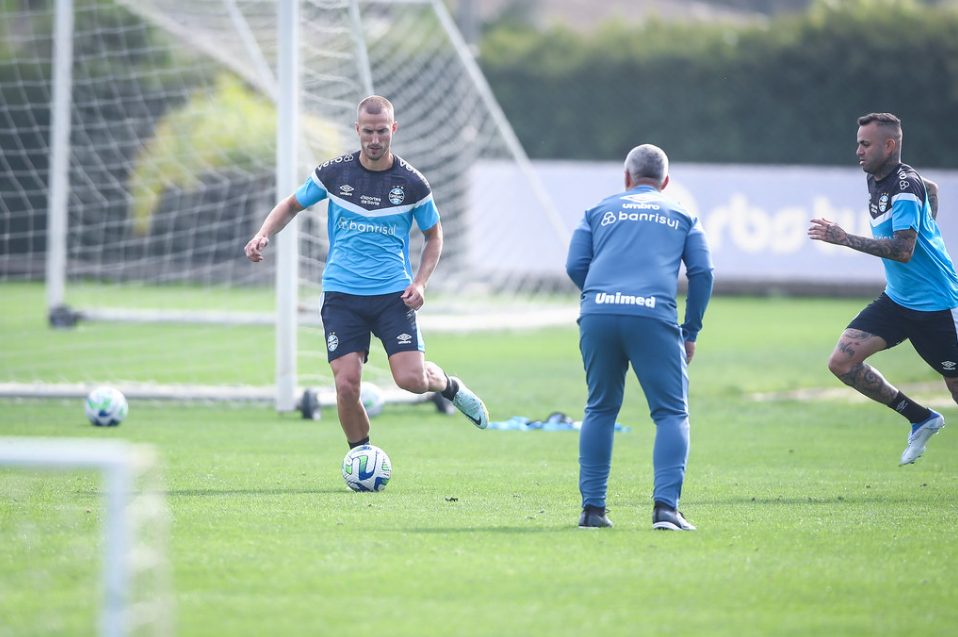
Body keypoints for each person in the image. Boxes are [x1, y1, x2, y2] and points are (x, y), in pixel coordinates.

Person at [245, 95, 489, 447]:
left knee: (412, 381)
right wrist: (263, 234)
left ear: (394, 129)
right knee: (346, 385)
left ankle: (450, 386)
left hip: (393, 296)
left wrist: (421, 283)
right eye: (368, 132)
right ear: (357, 130)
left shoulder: (412, 184)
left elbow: (434, 236)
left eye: (382, 132)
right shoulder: (333, 173)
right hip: (342, 296)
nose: (375, 140)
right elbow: (291, 205)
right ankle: (362, 457)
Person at [566, 144, 714, 531]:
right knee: (671, 413)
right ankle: (666, 510)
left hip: (597, 314)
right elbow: (703, 273)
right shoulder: (682, 213)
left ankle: (592, 511)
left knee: (600, 408)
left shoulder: (597, 210)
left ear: (627, 178)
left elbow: (574, 264)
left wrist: (601, 295)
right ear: (664, 181)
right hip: (653, 317)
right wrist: (691, 330)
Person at [808, 112, 958, 465]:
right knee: (842, 363)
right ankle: (921, 417)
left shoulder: (904, 187)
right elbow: (932, 189)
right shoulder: (880, 178)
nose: (858, 150)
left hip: (938, 305)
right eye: (858, 143)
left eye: (865, 144)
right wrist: (929, 228)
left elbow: (903, 251)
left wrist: (845, 239)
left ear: (889, 146)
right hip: (898, 301)